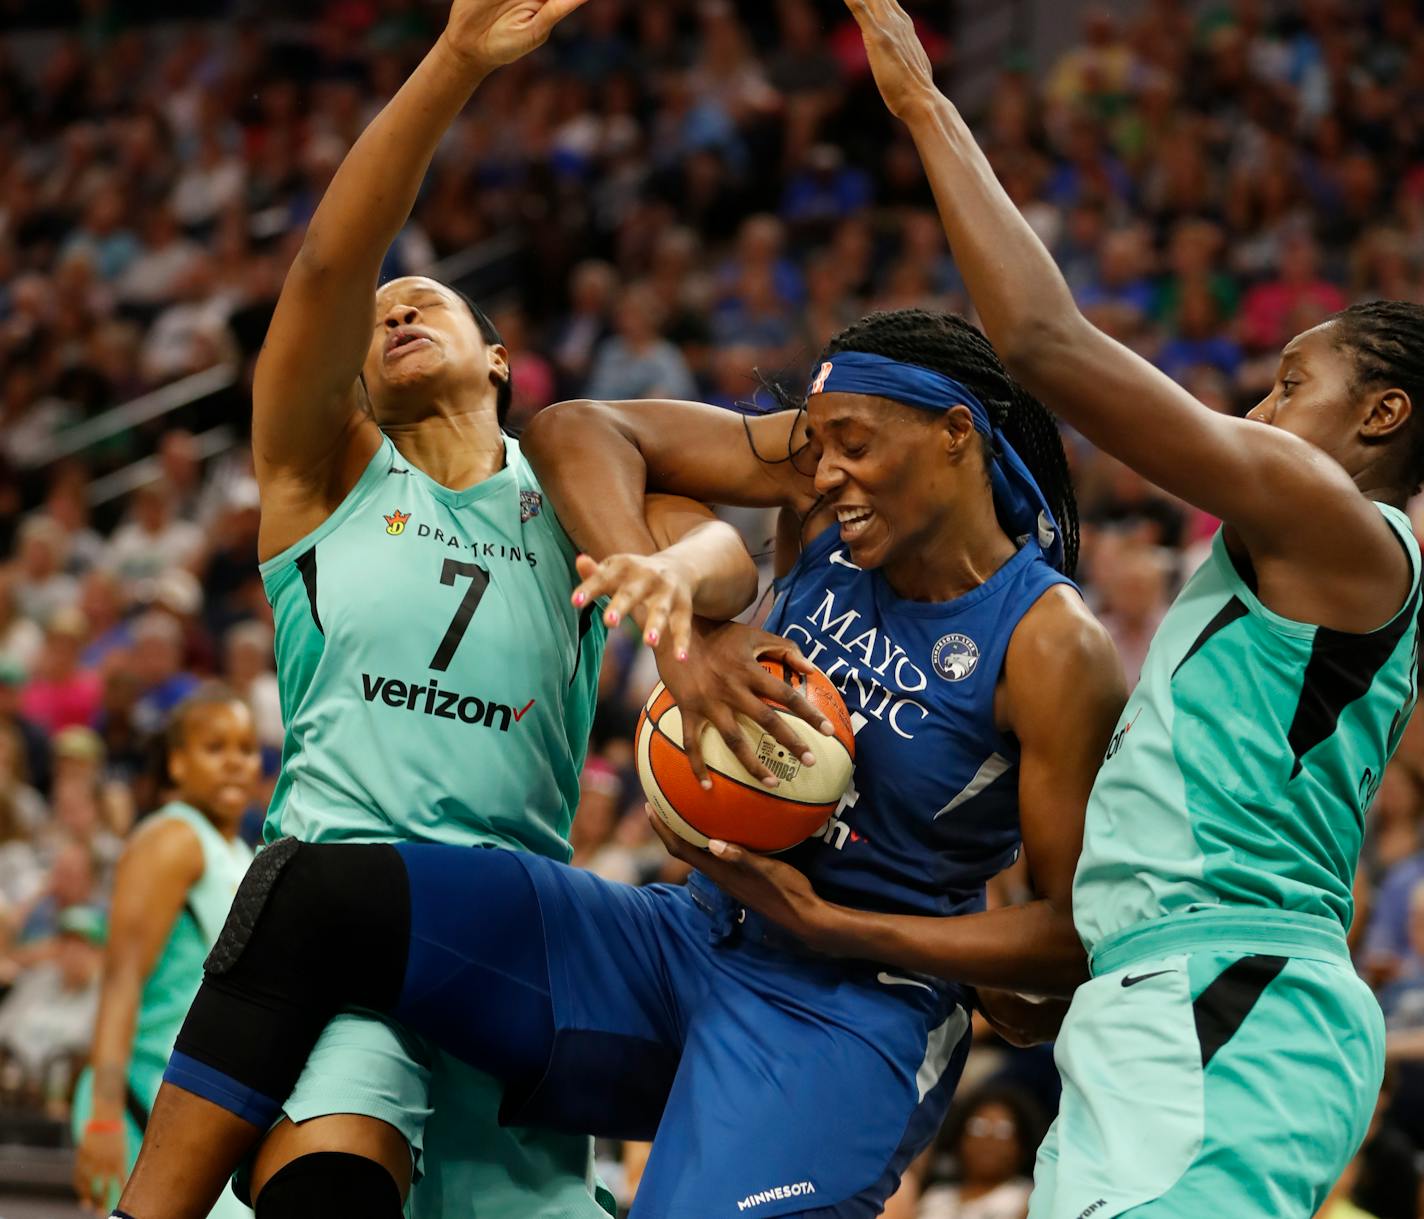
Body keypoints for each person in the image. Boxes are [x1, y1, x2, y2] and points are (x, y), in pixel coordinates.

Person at [108, 306, 1125, 1217]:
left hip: (846, 1010)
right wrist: (683, 642)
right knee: (311, 896)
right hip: (684, 939)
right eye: (811, 448)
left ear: (955, 433)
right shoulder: (821, 510)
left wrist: (828, 920)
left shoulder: (1048, 645)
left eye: (851, 447)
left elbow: (1072, 936)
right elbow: (572, 429)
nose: (820, 474)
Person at [716, 3, 1411, 1217]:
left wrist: (924, 109)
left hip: (1228, 988)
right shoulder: (1309, 564)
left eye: (1291, 382)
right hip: (1159, 991)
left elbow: (1037, 339)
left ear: (1381, 419)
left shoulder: (1339, 523)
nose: (1255, 408)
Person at [110, 3, 775, 1219]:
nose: (395, 312)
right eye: (379, 321)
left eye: (427, 301)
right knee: (330, 1184)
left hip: (511, 947)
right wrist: (458, 58)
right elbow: (323, 266)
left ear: (500, 357)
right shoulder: (324, 477)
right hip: (340, 935)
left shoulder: (572, 487)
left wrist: (685, 578)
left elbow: (728, 553)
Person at [72, 687, 259, 1216]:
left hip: (195, 1105)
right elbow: (121, 979)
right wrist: (105, 1117)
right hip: (140, 1098)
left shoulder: (238, 851)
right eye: (214, 747)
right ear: (177, 763)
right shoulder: (172, 839)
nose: (234, 762)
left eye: (245, 749)